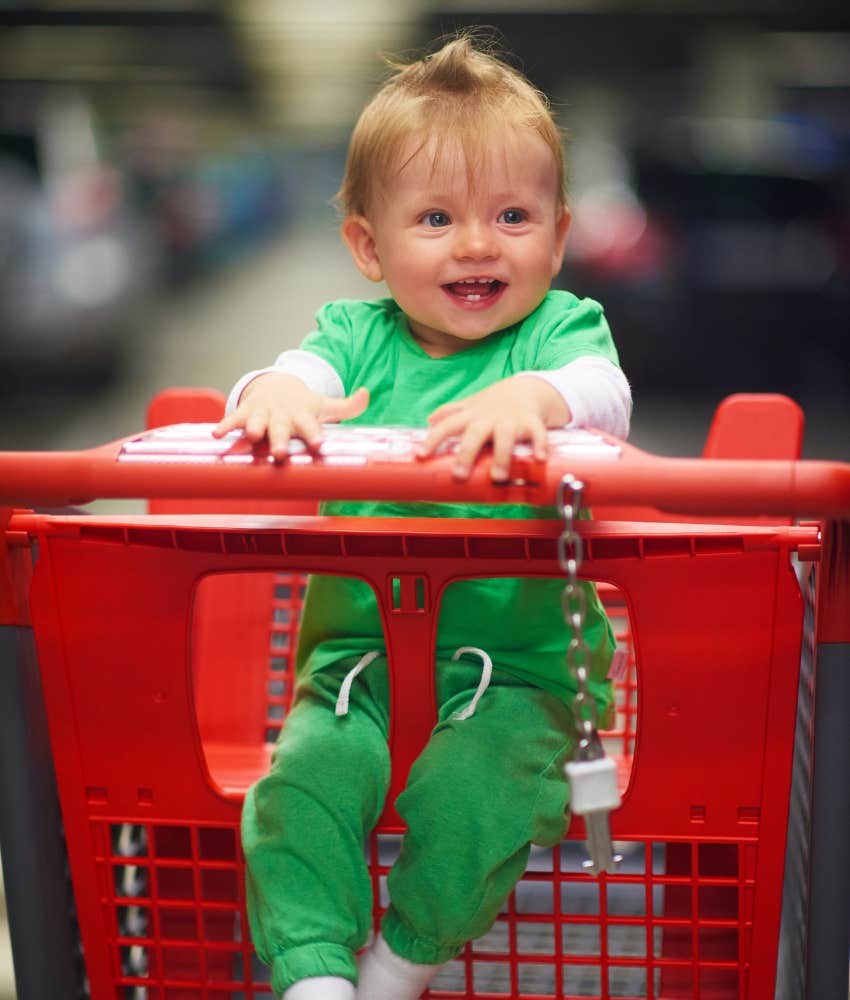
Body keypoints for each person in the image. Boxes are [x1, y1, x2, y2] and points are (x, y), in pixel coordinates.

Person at [213, 32, 631, 1000]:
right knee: (300, 787)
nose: (478, 244)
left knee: (472, 796)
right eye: (436, 217)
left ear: (558, 236)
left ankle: (403, 960)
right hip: (353, 667)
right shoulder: (351, 337)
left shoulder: (557, 330)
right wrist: (272, 392)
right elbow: (290, 375)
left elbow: (600, 390)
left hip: (519, 670)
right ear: (369, 245)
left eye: (513, 215)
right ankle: (314, 972)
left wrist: (533, 399)